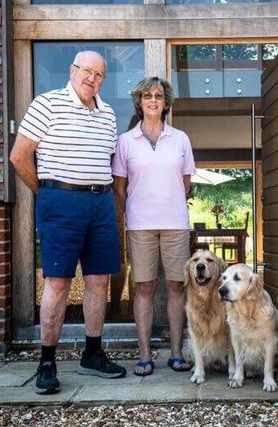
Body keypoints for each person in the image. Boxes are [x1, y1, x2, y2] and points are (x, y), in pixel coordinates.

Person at [10, 51, 126, 394]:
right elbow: (19, 156)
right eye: (86, 71)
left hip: (101, 202)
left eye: (99, 74)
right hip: (60, 200)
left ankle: (92, 354)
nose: (92, 78)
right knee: (58, 283)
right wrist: (46, 192)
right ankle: (47, 361)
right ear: (72, 70)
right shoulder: (47, 103)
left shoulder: (108, 115)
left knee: (100, 281)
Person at [113, 77, 196, 376]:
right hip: (140, 226)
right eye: (147, 95)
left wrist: (168, 202)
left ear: (165, 102)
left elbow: (186, 182)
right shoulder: (125, 142)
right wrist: (136, 209)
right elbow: (119, 186)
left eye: (158, 96)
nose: (152, 100)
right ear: (140, 101)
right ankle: (145, 356)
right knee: (144, 287)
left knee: (176, 286)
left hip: (175, 223)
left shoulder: (180, 139)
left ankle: (175, 353)